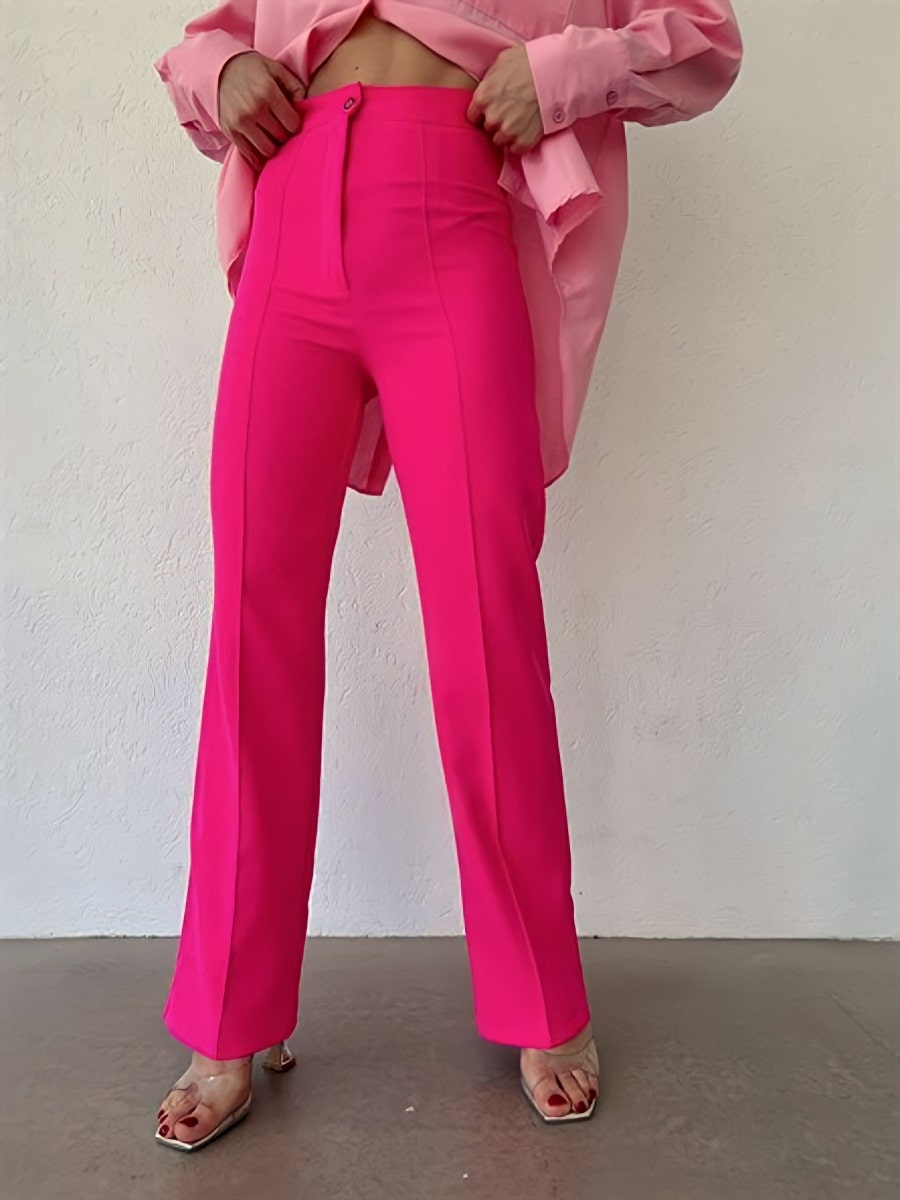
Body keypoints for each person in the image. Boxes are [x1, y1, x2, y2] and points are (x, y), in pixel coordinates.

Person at [151, 0, 742, 1151]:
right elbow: (207, 37)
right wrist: (219, 72)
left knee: (486, 625)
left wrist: (560, 73)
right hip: (292, 213)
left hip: (452, 210)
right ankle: (226, 1014)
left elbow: (704, 43)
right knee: (253, 635)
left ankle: (541, 998)